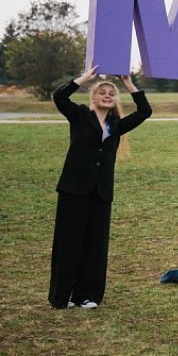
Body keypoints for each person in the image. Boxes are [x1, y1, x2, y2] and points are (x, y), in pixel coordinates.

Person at [49, 67, 152, 309]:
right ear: (93, 97)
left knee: (95, 246)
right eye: (102, 92)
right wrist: (85, 78)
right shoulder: (79, 115)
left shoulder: (116, 125)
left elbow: (145, 111)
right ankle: (62, 296)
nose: (107, 95)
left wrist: (129, 84)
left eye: (111, 93)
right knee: (69, 243)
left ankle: (87, 295)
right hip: (74, 189)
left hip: (101, 192)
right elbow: (59, 97)